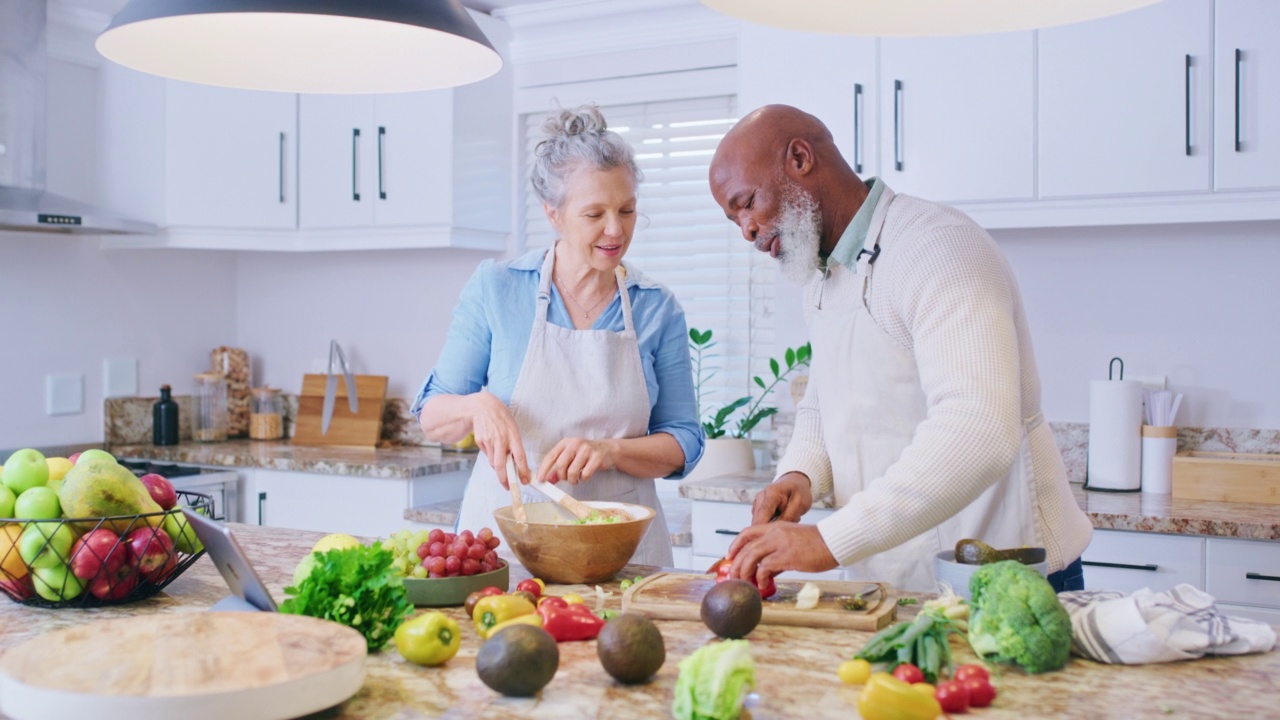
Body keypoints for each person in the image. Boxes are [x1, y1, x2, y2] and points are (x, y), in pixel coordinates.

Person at [709, 105, 1093, 593]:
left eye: (747, 203)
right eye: (733, 218)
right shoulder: (822, 279)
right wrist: (800, 474)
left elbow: (978, 430)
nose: (746, 229)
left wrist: (826, 542)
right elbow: (825, 401)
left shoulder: (937, 247)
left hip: (1004, 579)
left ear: (800, 158)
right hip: (896, 582)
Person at [412, 104, 704, 567]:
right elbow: (432, 414)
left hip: (621, 555)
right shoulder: (498, 288)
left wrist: (609, 451)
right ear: (554, 214)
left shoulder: (656, 307)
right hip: (509, 550)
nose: (616, 229)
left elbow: (684, 442)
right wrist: (477, 406)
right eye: (594, 214)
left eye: (627, 210)